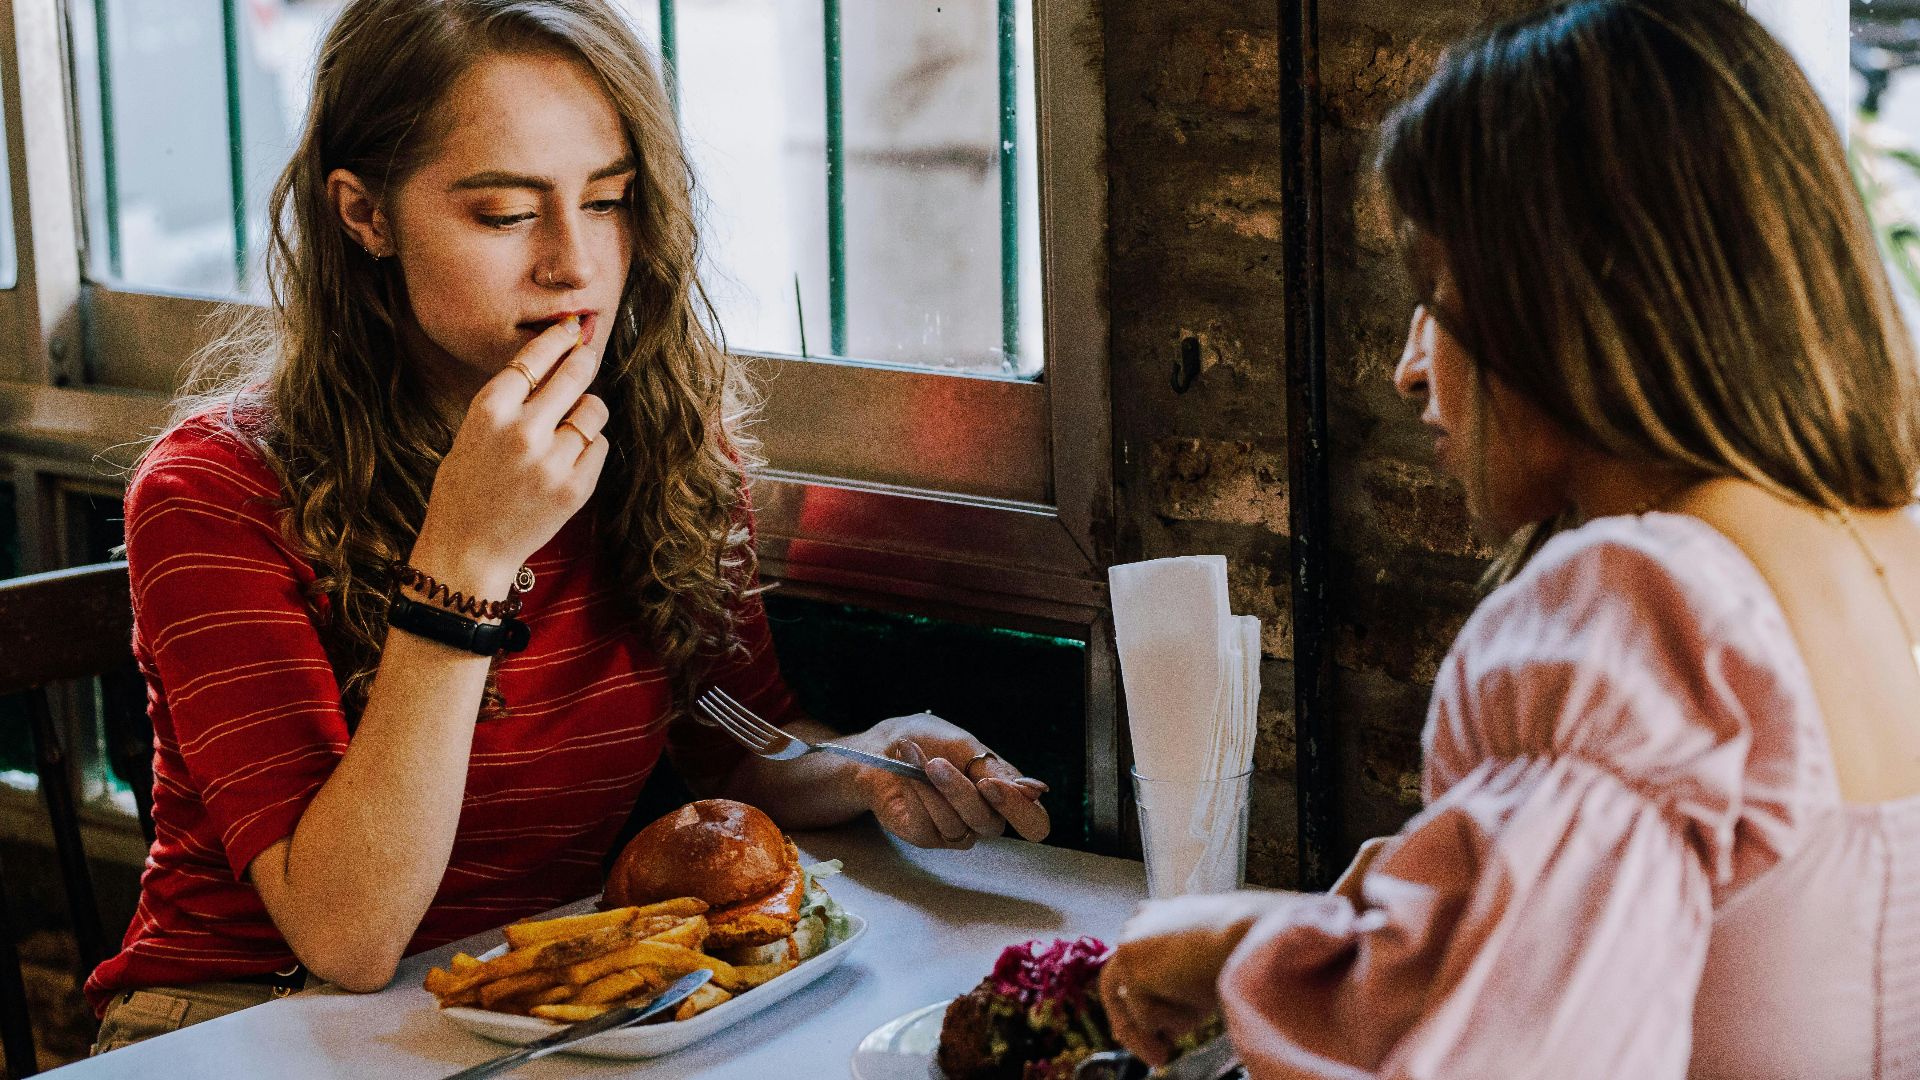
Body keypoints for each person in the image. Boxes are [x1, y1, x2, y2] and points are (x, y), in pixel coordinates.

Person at [85, 0, 1049, 1051]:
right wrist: (467, 558)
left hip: (536, 1004)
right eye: (504, 213)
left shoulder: (664, 443)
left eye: (609, 200)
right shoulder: (214, 492)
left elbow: (732, 745)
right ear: (364, 215)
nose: (574, 263)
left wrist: (864, 762)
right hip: (243, 1019)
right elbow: (346, 936)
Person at [1099, 1, 1920, 1076]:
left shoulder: (1646, 609)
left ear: (1576, 303)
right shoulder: (1888, 542)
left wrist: (1239, 951)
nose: (1408, 366)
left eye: (1437, 296)